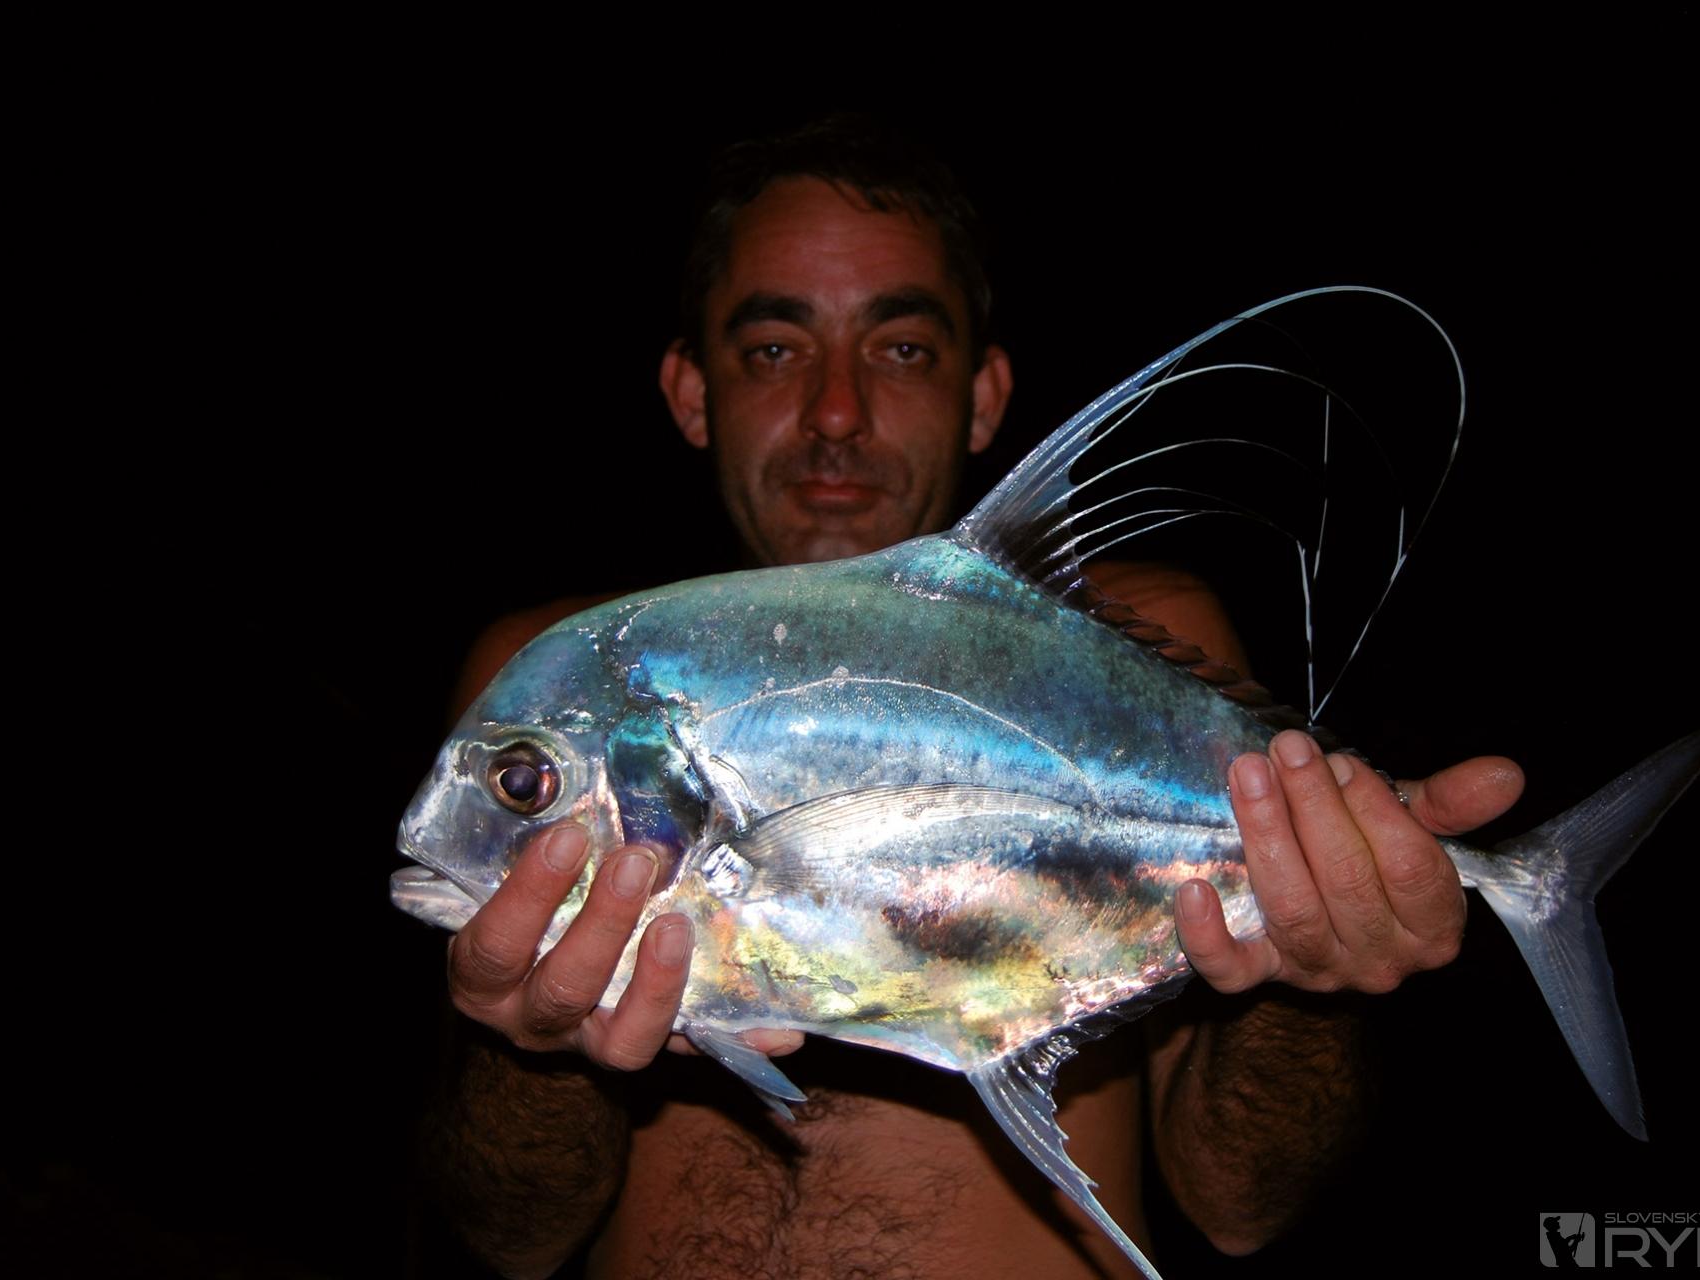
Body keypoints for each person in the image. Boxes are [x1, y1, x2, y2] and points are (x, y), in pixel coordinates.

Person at [419, 120, 1524, 1279]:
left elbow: (1240, 1201)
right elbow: (510, 1234)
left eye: (900, 348)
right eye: (773, 348)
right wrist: (533, 1038)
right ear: (689, 391)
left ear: (985, 395)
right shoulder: (550, 669)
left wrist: (1308, 968)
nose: (835, 411)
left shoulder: (1139, 642)